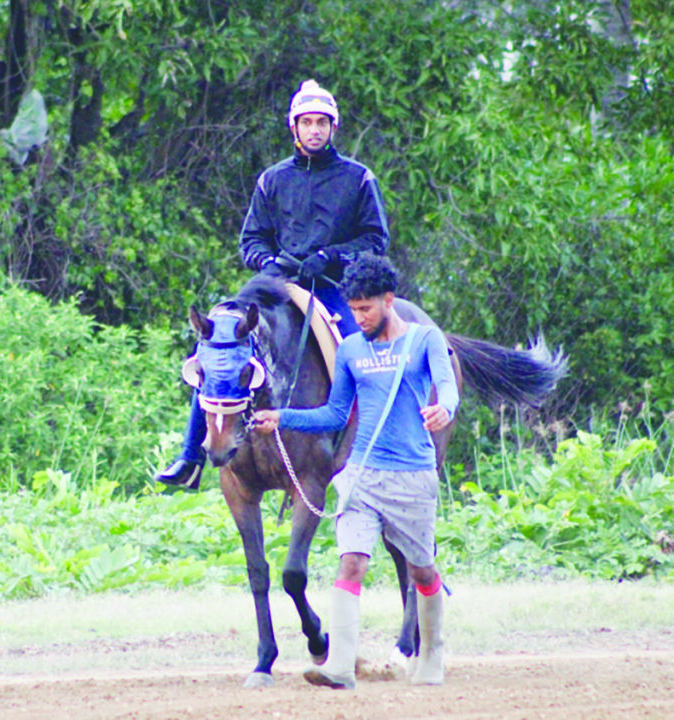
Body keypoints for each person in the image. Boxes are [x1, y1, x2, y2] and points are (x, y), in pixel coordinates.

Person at [154, 79, 391, 490]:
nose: (314, 129)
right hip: (275, 285)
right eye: (307, 122)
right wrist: (267, 260)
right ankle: (191, 455)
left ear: (333, 128)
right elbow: (251, 240)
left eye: (322, 122)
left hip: (333, 285)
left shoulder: (358, 178)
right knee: (216, 347)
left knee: (359, 351)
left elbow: (376, 240)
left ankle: (373, 451)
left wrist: (331, 256)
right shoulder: (272, 179)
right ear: (294, 128)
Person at [251, 253, 457, 689]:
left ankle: (433, 653)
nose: (358, 317)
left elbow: (448, 385)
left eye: (366, 309)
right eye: (354, 309)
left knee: (422, 570)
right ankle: (340, 667)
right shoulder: (350, 350)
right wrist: (282, 417)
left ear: (389, 299)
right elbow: (333, 414)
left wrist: (444, 409)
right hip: (362, 476)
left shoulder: (425, 340)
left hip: (411, 475)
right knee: (351, 564)